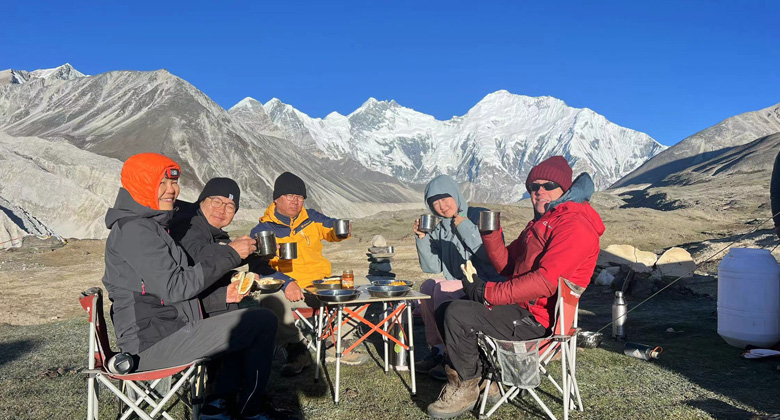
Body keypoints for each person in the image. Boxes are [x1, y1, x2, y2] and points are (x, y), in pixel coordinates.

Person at [102, 153, 285, 420]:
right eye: (161, 183)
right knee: (262, 321)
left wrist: (224, 294)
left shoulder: (151, 227)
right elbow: (176, 287)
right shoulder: (136, 230)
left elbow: (172, 286)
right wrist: (231, 254)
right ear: (140, 184)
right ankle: (249, 410)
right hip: (151, 344)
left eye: (173, 183)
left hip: (167, 329)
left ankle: (218, 405)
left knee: (239, 318)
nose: (171, 190)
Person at [426, 156, 605, 419]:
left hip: (540, 320)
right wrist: (491, 234)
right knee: (445, 309)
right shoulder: (542, 222)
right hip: (520, 309)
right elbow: (506, 266)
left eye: (549, 185)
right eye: (534, 187)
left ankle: (465, 387)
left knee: (457, 314)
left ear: (564, 188)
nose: (540, 191)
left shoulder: (574, 224)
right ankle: (486, 377)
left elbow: (545, 281)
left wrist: (487, 293)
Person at [170, 177, 312, 377]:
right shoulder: (189, 226)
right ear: (202, 201)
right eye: (217, 201)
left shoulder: (212, 232)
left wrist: (244, 270)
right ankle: (237, 395)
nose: (222, 210)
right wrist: (234, 251)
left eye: (230, 206)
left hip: (202, 307)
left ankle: (231, 391)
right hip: (185, 316)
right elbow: (197, 255)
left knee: (254, 322)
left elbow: (213, 264)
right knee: (261, 324)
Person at [249, 171, 367, 365]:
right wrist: (287, 282)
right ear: (276, 199)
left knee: (363, 285)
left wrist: (341, 230)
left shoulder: (311, 218)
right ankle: (297, 348)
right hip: (290, 291)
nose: (295, 201)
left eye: (300, 197)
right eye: (290, 196)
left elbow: (330, 227)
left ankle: (335, 340)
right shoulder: (262, 230)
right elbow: (258, 266)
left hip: (321, 286)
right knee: (268, 298)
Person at [413, 174, 504, 380]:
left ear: (456, 195)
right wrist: (422, 238)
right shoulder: (439, 228)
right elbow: (431, 266)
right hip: (457, 285)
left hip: (485, 285)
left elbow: (489, 256)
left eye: (445, 199)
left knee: (443, 289)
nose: (442, 206)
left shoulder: (479, 216)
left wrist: (464, 226)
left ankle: (453, 356)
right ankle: (438, 349)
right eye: (435, 203)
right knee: (427, 287)